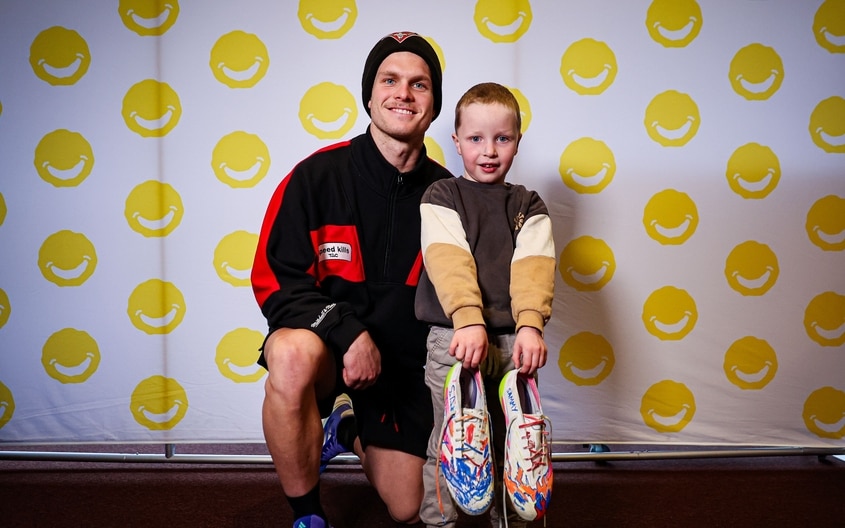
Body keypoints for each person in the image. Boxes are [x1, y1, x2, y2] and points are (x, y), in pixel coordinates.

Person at [251, 31, 452, 528]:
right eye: (390, 80)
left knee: (408, 507)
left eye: (419, 84)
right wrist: (348, 332)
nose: (403, 94)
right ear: (369, 95)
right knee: (290, 354)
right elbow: (274, 280)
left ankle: (347, 425)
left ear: (433, 105)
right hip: (326, 355)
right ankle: (308, 515)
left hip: (399, 372)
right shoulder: (315, 177)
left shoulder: (448, 198)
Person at [415, 82, 556, 528]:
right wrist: (468, 320)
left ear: (518, 141)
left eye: (502, 138)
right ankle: (439, 522)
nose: (489, 150)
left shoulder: (527, 204)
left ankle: (511, 522)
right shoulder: (442, 196)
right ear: (456, 142)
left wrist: (531, 325)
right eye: (475, 138)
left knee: (516, 444)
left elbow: (534, 268)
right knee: (454, 440)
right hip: (455, 338)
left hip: (514, 342)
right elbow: (449, 261)